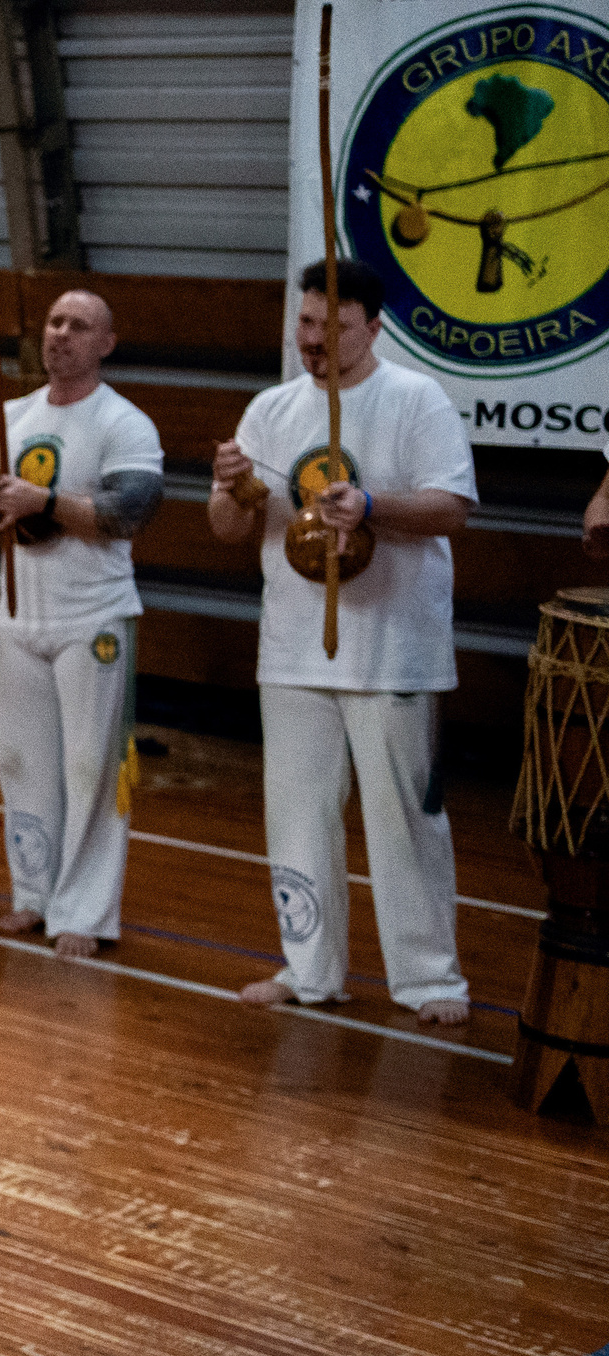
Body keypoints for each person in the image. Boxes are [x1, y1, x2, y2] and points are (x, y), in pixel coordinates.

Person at [210, 259, 477, 1027]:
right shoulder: (270, 408)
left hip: (393, 645)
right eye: (305, 324)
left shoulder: (414, 399)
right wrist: (229, 485)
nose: (315, 341)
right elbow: (229, 529)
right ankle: (310, 966)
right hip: (295, 646)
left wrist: (372, 505)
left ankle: (429, 978)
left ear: (373, 327)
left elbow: (452, 508)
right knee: (297, 813)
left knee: (403, 818)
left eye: (334, 327)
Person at [0, 290, 165, 958]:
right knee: (21, 761)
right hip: (19, 614)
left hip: (93, 616)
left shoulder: (123, 422)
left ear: (107, 342)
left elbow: (131, 509)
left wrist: (43, 499)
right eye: (54, 323)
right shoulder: (7, 419)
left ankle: (86, 911)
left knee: (90, 765)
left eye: (79, 326)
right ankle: (34, 893)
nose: (61, 335)